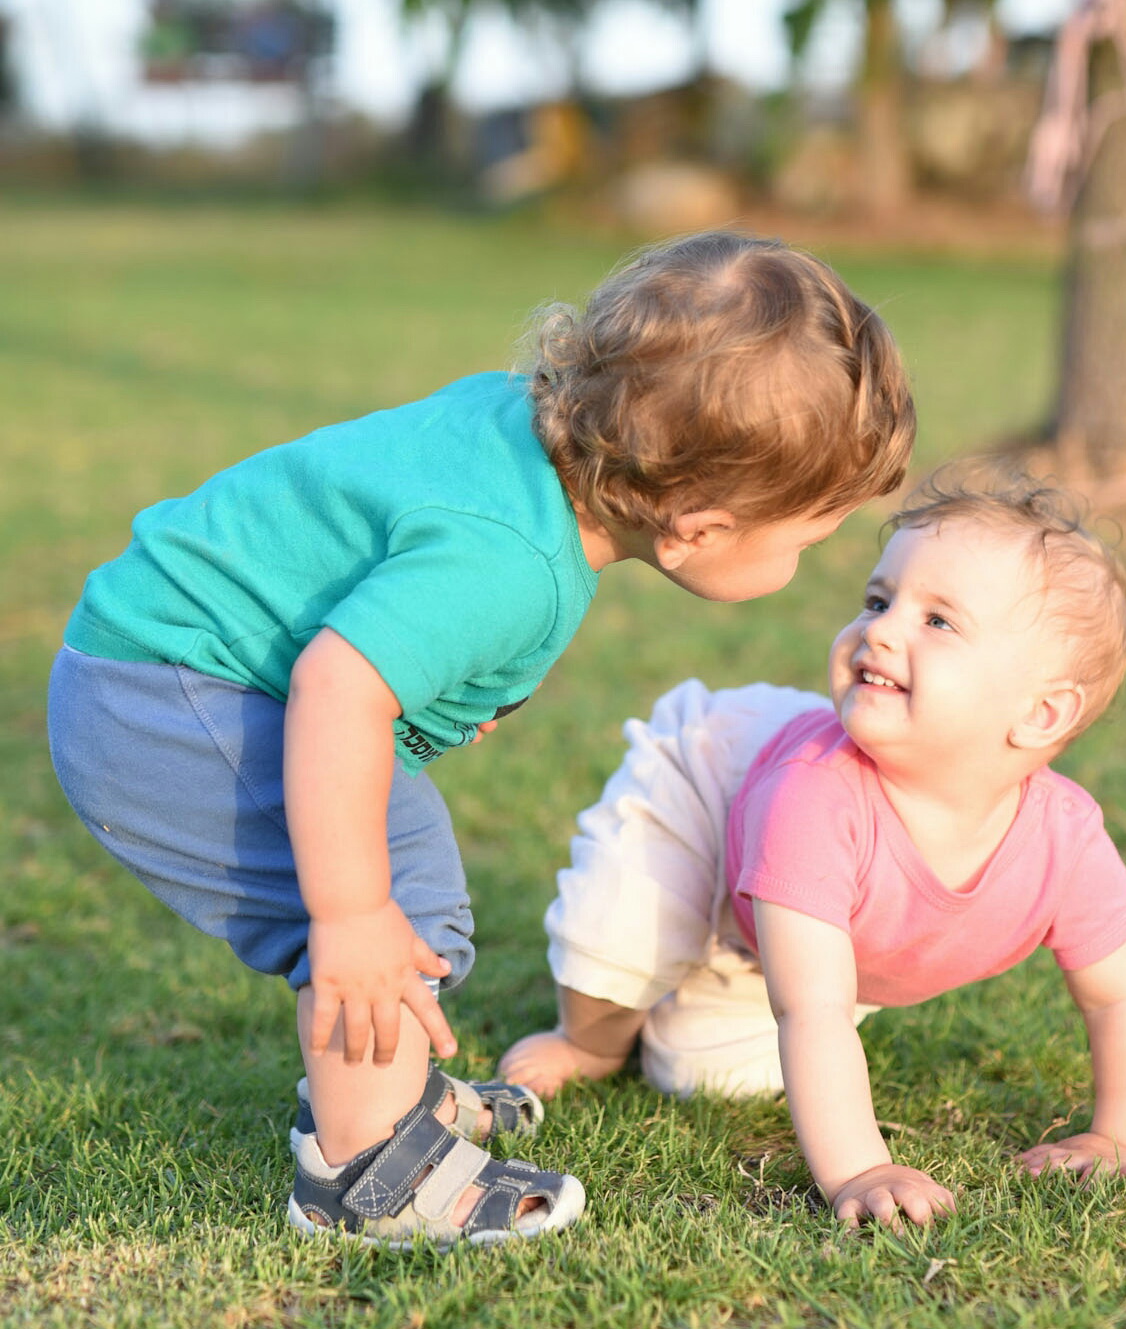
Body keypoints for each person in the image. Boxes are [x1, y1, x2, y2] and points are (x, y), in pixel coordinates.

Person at [46, 230, 917, 1248]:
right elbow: (338, 682)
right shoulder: (511, 563)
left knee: (405, 890)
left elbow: (379, 566)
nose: (808, 559)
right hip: (171, 696)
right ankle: (367, 1172)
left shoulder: (520, 430)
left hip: (165, 659)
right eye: (804, 537)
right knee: (392, 915)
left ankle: (388, 1093)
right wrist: (350, 910)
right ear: (694, 524)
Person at [499, 473, 1126, 1231]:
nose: (880, 631)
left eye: (940, 621)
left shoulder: (1066, 839)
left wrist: (1125, 1136)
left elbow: (1124, 997)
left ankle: (709, 959)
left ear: (1041, 711)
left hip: (792, 903)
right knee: (617, 942)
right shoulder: (816, 795)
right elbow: (813, 1006)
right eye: (880, 600)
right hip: (707, 782)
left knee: (702, 1075)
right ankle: (587, 1040)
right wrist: (861, 1167)